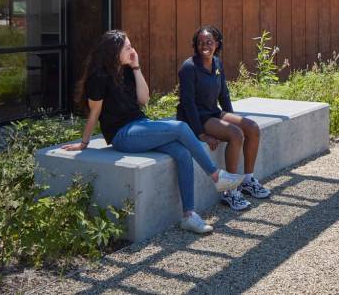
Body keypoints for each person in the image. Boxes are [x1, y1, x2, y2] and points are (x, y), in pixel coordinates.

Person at [64, 29, 243, 235]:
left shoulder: (127, 70)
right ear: (114, 51)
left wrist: (136, 67)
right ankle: (216, 176)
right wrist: (83, 143)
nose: (132, 50)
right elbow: (95, 112)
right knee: (181, 127)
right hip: (122, 135)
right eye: (128, 47)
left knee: (182, 153)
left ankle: (189, 216)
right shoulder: (99, 76)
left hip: (140, 126)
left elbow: (143, 100)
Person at [178, 25, 271, 212]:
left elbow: (224, 95)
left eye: (209, 42)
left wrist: (231, 117)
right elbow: (187, 104)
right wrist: (201, 134)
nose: (205, 45)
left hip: (213, 111)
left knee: (251, 127)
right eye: (201, 42)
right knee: (235, 134)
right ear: (195, 46)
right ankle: (229, 191)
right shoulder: (189, 67)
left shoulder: (217, 63)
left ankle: (247, 180)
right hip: (196, 116)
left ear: (217, 43)